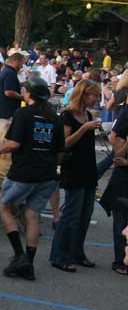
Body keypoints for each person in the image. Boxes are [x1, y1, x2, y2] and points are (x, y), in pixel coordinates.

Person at [0, 77, 65, 281]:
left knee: (5, 207)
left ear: (28, 93)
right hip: (48, 174)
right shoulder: (55, 118)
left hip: (24, 172)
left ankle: (19, 256)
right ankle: (29, 264)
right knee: (33, 215)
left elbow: (14, 143)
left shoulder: (24, 114)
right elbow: (60, 151)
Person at [50, 79, 101, 272]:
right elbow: (64, 142)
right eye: (93, 95)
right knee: (70, 216)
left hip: (88, 170)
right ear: (83, 95)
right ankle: (59, 255)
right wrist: (84, 128)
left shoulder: (87, 114)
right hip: (73, 171)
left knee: (85, 216)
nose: (96, 98)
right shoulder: (68, 116)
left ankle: (76, 253)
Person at [105, 108, 128, 275]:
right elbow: (113, 138)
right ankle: (121, 260)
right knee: (121, 219)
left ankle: (122, 260)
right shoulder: (125, 113)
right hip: (123, 180)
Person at [0, 53, 24, 126]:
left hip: (2, 112)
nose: (22, 66)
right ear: (16, 61)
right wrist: (22, 97)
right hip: (6, 114)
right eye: (21, 63)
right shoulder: (10, 73)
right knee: (4, 134)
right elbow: (8, 92)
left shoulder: (6, 71)